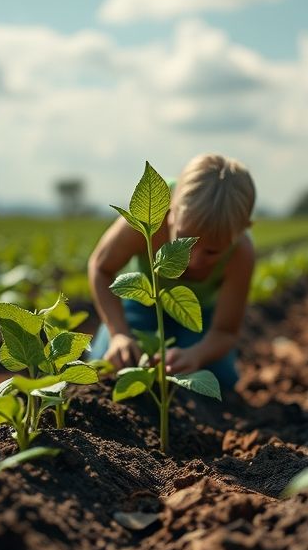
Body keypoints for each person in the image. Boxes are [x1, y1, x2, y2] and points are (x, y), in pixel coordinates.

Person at [88, 153, 255, 389]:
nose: (193, 260)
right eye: (183, 240)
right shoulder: (147, 220)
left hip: (198, 317)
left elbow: (225, 331)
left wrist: (196, 355)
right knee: (110, 362)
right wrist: (119, 334)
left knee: (221, 378)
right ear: (171, 213)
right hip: (141, 302)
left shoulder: (241, 254)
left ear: (241, 233)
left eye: (211, 252)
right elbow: (100, 267)